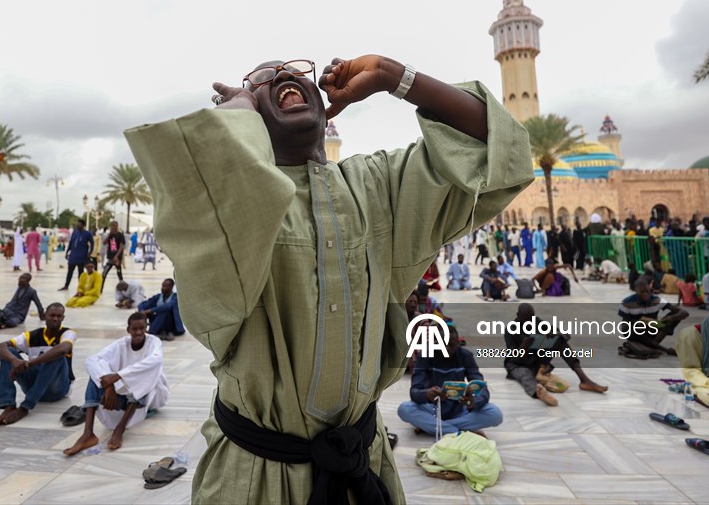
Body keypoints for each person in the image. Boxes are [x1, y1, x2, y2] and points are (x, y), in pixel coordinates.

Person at [126, 54, 531, 503]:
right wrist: (240, 112)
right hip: (258, 479)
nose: (284, 75)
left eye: (295, 71)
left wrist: (393, 77)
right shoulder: (240, 207)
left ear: (322, 104)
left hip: (363, 463)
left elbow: (495, 144)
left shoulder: (377, 186)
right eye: (262, 81)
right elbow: (204, 193)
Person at [63, 312, 171, 456]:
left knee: (144, 376)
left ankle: (119, 430)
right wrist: (109, 386)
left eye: (142, 328)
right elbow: (92, 360)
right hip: (121, 397)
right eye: (134, 329)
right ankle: (88, 434)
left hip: (147, 396)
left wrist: (116, 377)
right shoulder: (122, 344)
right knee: (94, 377)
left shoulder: (154, 342)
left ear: (147, 327)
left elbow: (155, 361)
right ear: (128, 330)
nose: (139, 332)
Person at [397, 323, 502, 436]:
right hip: (433, 408)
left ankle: (434, 427)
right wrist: (427, 394)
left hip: (460, 408)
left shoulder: (466, 356)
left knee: (495, 414)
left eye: (451, 345)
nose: (446, 348)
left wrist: (473, 402)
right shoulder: (425, 356)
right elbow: (414, 391)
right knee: (404, 409)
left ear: (458, 343)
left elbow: (482, 389)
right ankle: (459, 432)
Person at [503, 303, 607, 407]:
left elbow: (565, 335)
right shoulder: (510, 329)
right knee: (524, 374)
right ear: (518, 315)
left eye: (531, 319)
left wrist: (554, 334)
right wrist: (524, 347)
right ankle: (539, 392)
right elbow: (514, 358)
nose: (529, 322)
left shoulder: (537, 322)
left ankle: (584, 380)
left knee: (560, 342)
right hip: (518, 363)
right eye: (526, 320)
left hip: (536, 358)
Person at [0, 303, 75, 426]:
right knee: (8, 353)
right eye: (52, 315)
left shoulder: (68, 333)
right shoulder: (31, 336)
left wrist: (30, 363)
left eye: (59, 316)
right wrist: (14, 360)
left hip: (57, 389)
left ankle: (25, 406)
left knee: (57, 355)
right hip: (33, 385)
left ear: (63, 318)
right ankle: (8, 405)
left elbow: (63, 349)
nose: (55, 319)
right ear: (44, 315)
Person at [618, 277, 689, 356]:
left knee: (675, 315)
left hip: (653, 329)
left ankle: (650, 346)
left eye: (647, 291)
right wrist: (641, 324)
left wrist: (671, 318)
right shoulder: (627, 303)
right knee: (627, 328)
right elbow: (625, 323)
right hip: (636, 331)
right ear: (636, 291)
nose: (645, 294)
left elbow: (684, 313)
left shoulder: (657, 300)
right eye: (642, 292)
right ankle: (661, 348)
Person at [61, 220, 93, 291]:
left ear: (83, 225)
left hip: (82, 256)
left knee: (80, 272)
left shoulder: (87, 234)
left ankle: (81, 287)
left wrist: (90, 252)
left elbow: (92, 243)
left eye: (79, 224)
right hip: (73, 255)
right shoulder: (75, 232)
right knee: (70, 271)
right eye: (77, 224)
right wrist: (67, 251)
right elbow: (71, 242)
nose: (78, 225)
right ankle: (66, 285)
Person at [101, 221, 126, 291]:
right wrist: (109, 235)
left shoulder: (120, 235)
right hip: (110, 257)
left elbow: (121, 247)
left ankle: (123, 288)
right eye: (111, 226)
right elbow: (104, 243)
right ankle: (100, 289)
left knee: (119, 273)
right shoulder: (110, 235)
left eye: (113, 226)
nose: (112, 227)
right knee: (104, 273)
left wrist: (116, 256)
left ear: (116, 226)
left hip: (117, 258)